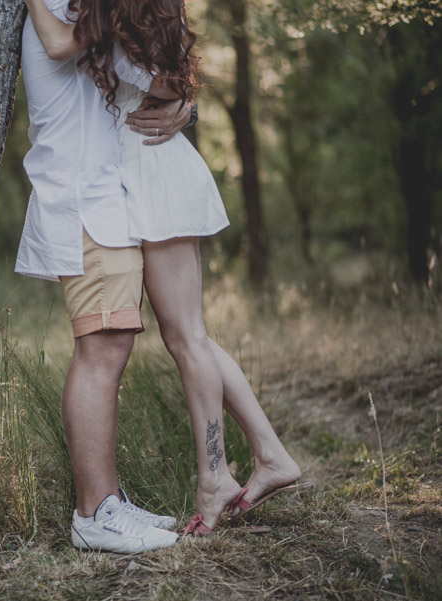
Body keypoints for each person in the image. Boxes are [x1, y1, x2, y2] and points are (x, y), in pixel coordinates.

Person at [19, 0, 301, 547]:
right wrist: (182, 100)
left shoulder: (105, 26)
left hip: (145, 173)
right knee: (183, 336)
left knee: (183, 336)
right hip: (125, 180)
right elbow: (92, 56)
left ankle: (215, 476)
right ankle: (263, 456)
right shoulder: (105, 25)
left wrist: (182, 104)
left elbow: (139, 70)